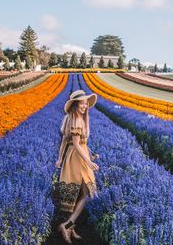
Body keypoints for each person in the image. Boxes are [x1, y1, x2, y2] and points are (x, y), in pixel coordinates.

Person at [55, 89, 99, 243]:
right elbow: (75, 144)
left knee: (79, 194)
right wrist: (88, 161)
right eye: (81, 103)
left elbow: (65, 141)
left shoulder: (71, 118)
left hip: (76, 156)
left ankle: (70, 227)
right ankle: (66, 225)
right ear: (75, 105)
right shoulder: (77, 120)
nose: (84, 106)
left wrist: (60, 158)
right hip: (78, 159)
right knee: (87, 193)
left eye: (86, 103)